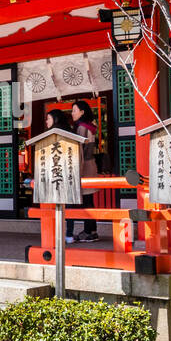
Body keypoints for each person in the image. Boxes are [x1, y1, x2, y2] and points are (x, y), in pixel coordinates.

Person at [67, 99, 100, 243]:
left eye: (74, 110)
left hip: (84, 165)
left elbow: (79, 150)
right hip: (91, 163)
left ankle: (88, 232)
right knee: (89, 200)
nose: (72, 113)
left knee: (86, 201)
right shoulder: (91, 127)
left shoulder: (81, 127)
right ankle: (92, 230)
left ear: (82, 112)